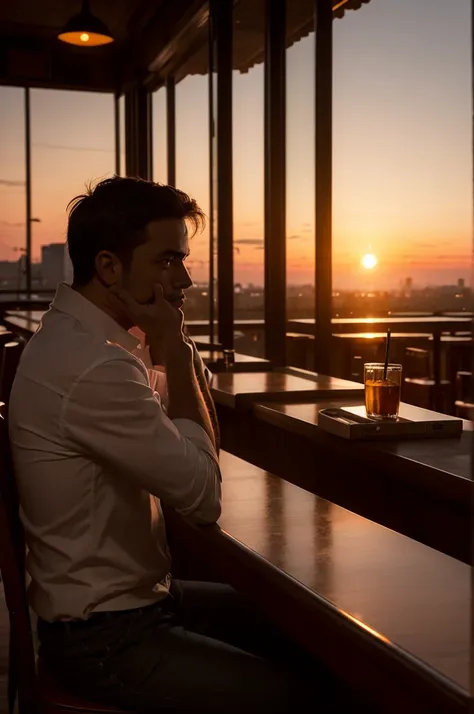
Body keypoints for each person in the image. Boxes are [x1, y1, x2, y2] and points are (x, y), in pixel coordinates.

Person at [8, 177, 326, 713]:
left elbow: (189, 434)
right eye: (167, 261)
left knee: (311, 635)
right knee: (301, 696)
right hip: (106, 638)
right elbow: (203, 495)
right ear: (109, 267)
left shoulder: (91, 345)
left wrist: (171, 347)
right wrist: (174, 348)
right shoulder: (94, 366)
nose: (183, 280)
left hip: (138, 607)